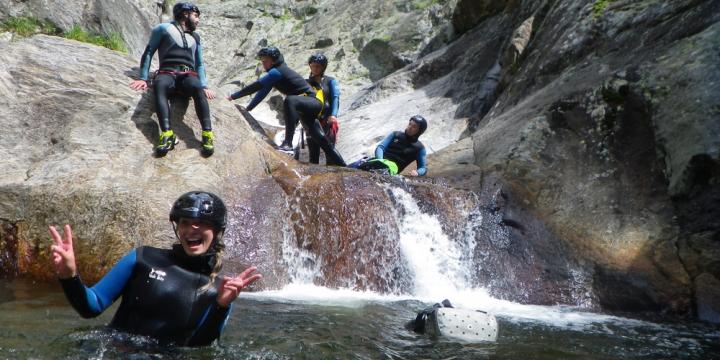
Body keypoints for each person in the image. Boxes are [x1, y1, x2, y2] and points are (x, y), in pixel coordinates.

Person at [49, 191, 262, 346]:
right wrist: (70, 277)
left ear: (216, 231)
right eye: (185, 222)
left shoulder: (219, 290)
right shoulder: (143, 258)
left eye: (201, 223)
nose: (191, 230)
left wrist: (221, 307)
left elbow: (199, 347)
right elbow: (91, 307)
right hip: (112, 351)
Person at [226, 47, 346, 166]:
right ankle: (344, 166)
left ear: (273, 60)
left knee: (290, 100)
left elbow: (255, 86)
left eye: (265, 60)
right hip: (305, 107)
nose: (263, 63)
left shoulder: (277, 71)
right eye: (261, 60)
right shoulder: (275, 74)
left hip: (313, 103)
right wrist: (249, 108)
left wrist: (232, 96)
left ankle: (287, 144)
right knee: (323, 142)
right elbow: (263, 91)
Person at [129, 2, 217, 157]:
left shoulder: (195, 37)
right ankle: (167, 133)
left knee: (196, 87)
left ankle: (207, 134)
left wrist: (204, 85)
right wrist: (143, 78)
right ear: (185, 14)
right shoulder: (163, 29)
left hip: (187, 76)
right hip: (167, 73)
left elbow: (200, 64)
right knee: (160, 84)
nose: (198, 20)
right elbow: (149, 52)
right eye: (196, 16)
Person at [350, 115, 428, 176]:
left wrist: (417, 172)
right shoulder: (395, 134)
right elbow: (381, 147)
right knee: (351, 166)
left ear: (419, 131)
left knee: (382, 166)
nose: (410, 127)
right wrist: (380, 159)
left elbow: (423, 168)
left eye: (414, 126)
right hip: (378, 160)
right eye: (410, 124)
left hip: (392, 168)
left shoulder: (419, 148)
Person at [305, 53, 340, 165]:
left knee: (330, 152)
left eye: (318, 66)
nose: (315, 68)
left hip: (327, 121)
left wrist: (333, 115)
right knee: (313, 155)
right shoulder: (306, 82)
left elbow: (335, 98)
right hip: (312, 121)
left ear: (323, 67)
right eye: (313, 66)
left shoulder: (330, 81)